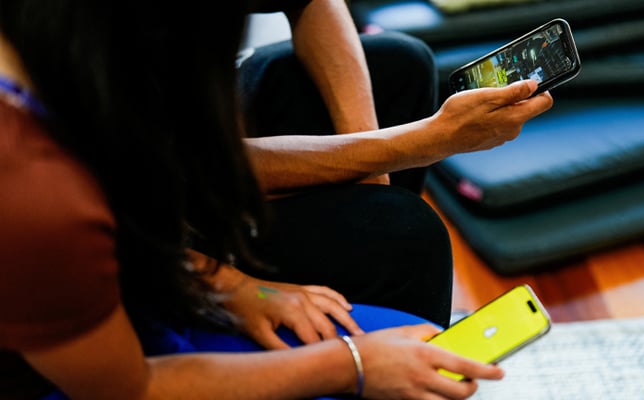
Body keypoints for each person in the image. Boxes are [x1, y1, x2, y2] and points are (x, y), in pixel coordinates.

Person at [0, 1, 552, 400]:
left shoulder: (63, 68)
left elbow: (142, 181)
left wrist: (227, 281)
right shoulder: (37, 196)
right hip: (89, 366)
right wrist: (354, 364)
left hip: (133, 252)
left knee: (396, 76)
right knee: (402, 244)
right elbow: (130, 389)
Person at [232, 0, 455, 328]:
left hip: (203, 128)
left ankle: (357, 298)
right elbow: (199, 173)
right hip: (171, 209)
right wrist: (236, 288)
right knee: (410, 235)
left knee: (401, 65)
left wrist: (370, 161)